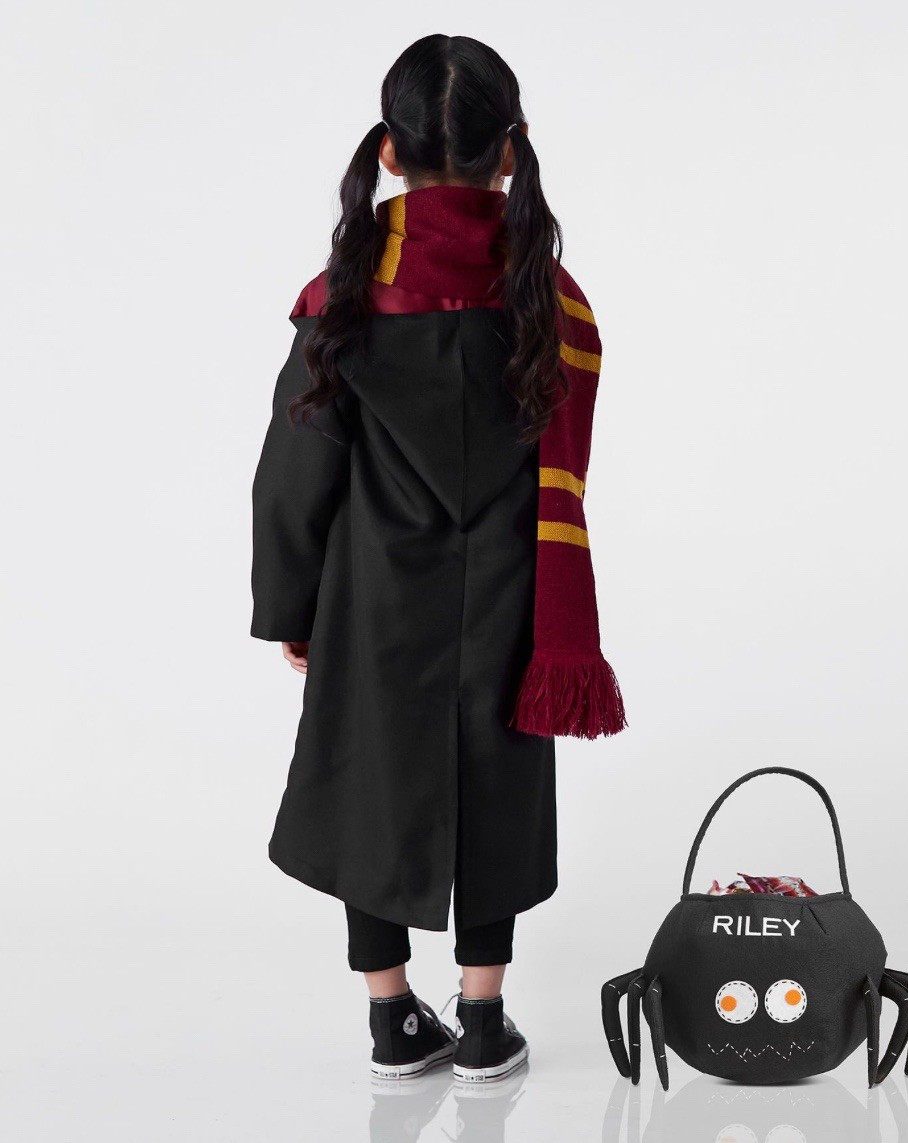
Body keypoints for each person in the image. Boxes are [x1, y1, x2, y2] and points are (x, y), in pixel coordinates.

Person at [251, 33, 624, 1083]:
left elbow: (292, 470)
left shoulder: (344, 297)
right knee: (495, 776)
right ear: (508, 150)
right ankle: (485, 1015)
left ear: (388, 151)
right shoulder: (550, 299)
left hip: (369, 591)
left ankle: (391, 1018)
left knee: (369, 778)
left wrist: (290, 604)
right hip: (512, 585)